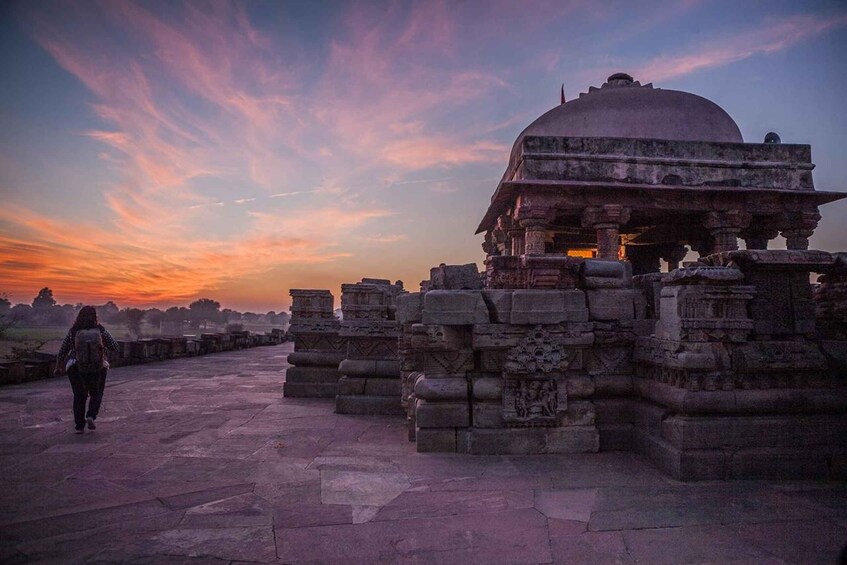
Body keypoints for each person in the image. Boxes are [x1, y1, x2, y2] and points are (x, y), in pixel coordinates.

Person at [54, 306, 119, 434]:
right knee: (96, 393)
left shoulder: (73, 331)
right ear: (95, 316)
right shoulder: (100, 330)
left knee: (79, 396)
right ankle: (91, 415)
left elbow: (62, 351)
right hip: (98, 367)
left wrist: (58, 366)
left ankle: (79, 426)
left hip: (75, 367)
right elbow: (114, 346)